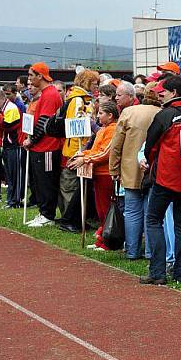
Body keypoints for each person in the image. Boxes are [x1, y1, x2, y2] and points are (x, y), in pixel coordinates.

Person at [140, 76, 181, 285]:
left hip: (166, 177)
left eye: (163, 92)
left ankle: (158, 272)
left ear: (174, 93)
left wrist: (151, 164)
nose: (160, 94)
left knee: (153, 220)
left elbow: (150, 146)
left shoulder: (164, 115)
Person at [109, 87, 161, 260]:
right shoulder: (162, 113)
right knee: (150, 211)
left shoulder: (128, 112)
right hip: (154, 168)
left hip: (130, 168)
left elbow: (116, 144)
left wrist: (114, 168)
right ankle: (149, 251)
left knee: (132, 211)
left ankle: (132, 250)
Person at [69, 101, 119, 251]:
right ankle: (102, 238)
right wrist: (83, 153)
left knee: (106, 208)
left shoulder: (113, 129)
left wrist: (85, 159)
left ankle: (108, 241)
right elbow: (96, 149)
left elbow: (105, 153)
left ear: (110, 115)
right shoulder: (102, 130)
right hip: (98, 173)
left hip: (106, 173)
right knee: (101, 209)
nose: (98, 116)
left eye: (101, 113)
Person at [50, 70, 96, 233]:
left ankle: (78, 218)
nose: (96, 86)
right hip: (75, 148)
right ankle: (68, 219)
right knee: (72, 187)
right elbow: (75, 124)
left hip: (82, 147)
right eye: (93, 83)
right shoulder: (77, 100)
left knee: (80, 187)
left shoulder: (83, 99)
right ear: (87, 83)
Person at [22, 63, 64, 228]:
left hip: (48, 147)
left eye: (31, 75)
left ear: (40, 76)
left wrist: (32, 140)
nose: (30, 79)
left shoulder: (50, 94)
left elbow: (44, 122)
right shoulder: (46, 93)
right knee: (39, 182)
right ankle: (43, 212)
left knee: (46, 182)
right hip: (41, 147)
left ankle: (47, 214)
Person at [0, 89, 22, 208]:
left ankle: (15, 201)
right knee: (9, 175)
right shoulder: (2, 109)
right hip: (6, 145)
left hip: (14, 145)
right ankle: (10, 200)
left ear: (2, 98)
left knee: (14, 175)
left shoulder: (11, 108)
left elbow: (9, 125)